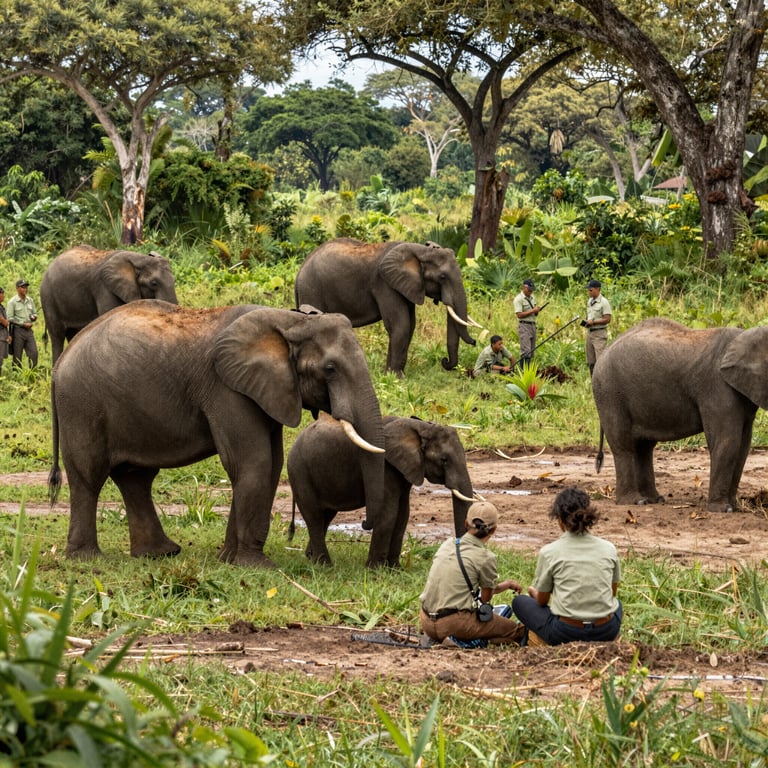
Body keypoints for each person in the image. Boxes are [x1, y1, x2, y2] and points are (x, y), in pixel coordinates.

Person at [512, 486, 622, 646]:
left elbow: (542, 601)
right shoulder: (609, 548)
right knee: (618, 606)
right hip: (605, 630)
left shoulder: (549, 552)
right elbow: (611, 593)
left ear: (559, 520)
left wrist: (533, 592)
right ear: (588, 516)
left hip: (566, 633)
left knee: (519, 602)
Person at [420, 501, 524, 647]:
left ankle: (456, 639)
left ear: (466, 523)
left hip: (426, 621)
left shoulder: (447, 544)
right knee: (515, 630)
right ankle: (467, 641)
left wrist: (506, 585)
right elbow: (486, 598)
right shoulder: (486, 557)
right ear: (493, 530)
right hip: (454, 623)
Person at [7, 278, 39, 369]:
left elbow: (34, 313)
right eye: (22, 287)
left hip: (29, 332)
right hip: (18, 332)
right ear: (17, 288)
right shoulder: (12, 302)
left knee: (34, 353)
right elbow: (10, 318)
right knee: (17, 356)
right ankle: (16, 376)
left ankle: (32, 374)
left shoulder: (30, 300)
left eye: (26, 287)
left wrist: (34, 317)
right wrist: (22, 324)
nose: (25, 289)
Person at [584, 279, 612, 376]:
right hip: (590, 333)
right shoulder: (590, 301)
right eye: (588, 290)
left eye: (591, 290)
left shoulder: (604, 302)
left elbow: (608, 319)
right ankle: (593, 381)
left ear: (597, 289)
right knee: (591, 361)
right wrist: (587, 321)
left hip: (599, 333)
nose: (589, 292)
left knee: (600, 360)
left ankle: (602, 381)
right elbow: (589, 314)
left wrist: (594, 322)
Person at [513, 278, 541, 364]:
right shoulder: (518, 299)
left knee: (532, 351)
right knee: (526, 351)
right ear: (524, 287)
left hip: (533, 325)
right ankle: (523, 371)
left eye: (532, 290)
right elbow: (519, 315)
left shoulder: (532, 298)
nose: (530, 292)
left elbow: (534, 313)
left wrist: (537, 311)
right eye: (529, 290)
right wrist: (533, 311)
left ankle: (528, 370)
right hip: (524, 325)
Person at [0, 287, 10, 375]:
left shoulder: (2, 307)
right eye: (2, 294)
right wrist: (6, 322)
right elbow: (4, 322)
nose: (4, 296)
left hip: (3, 336)